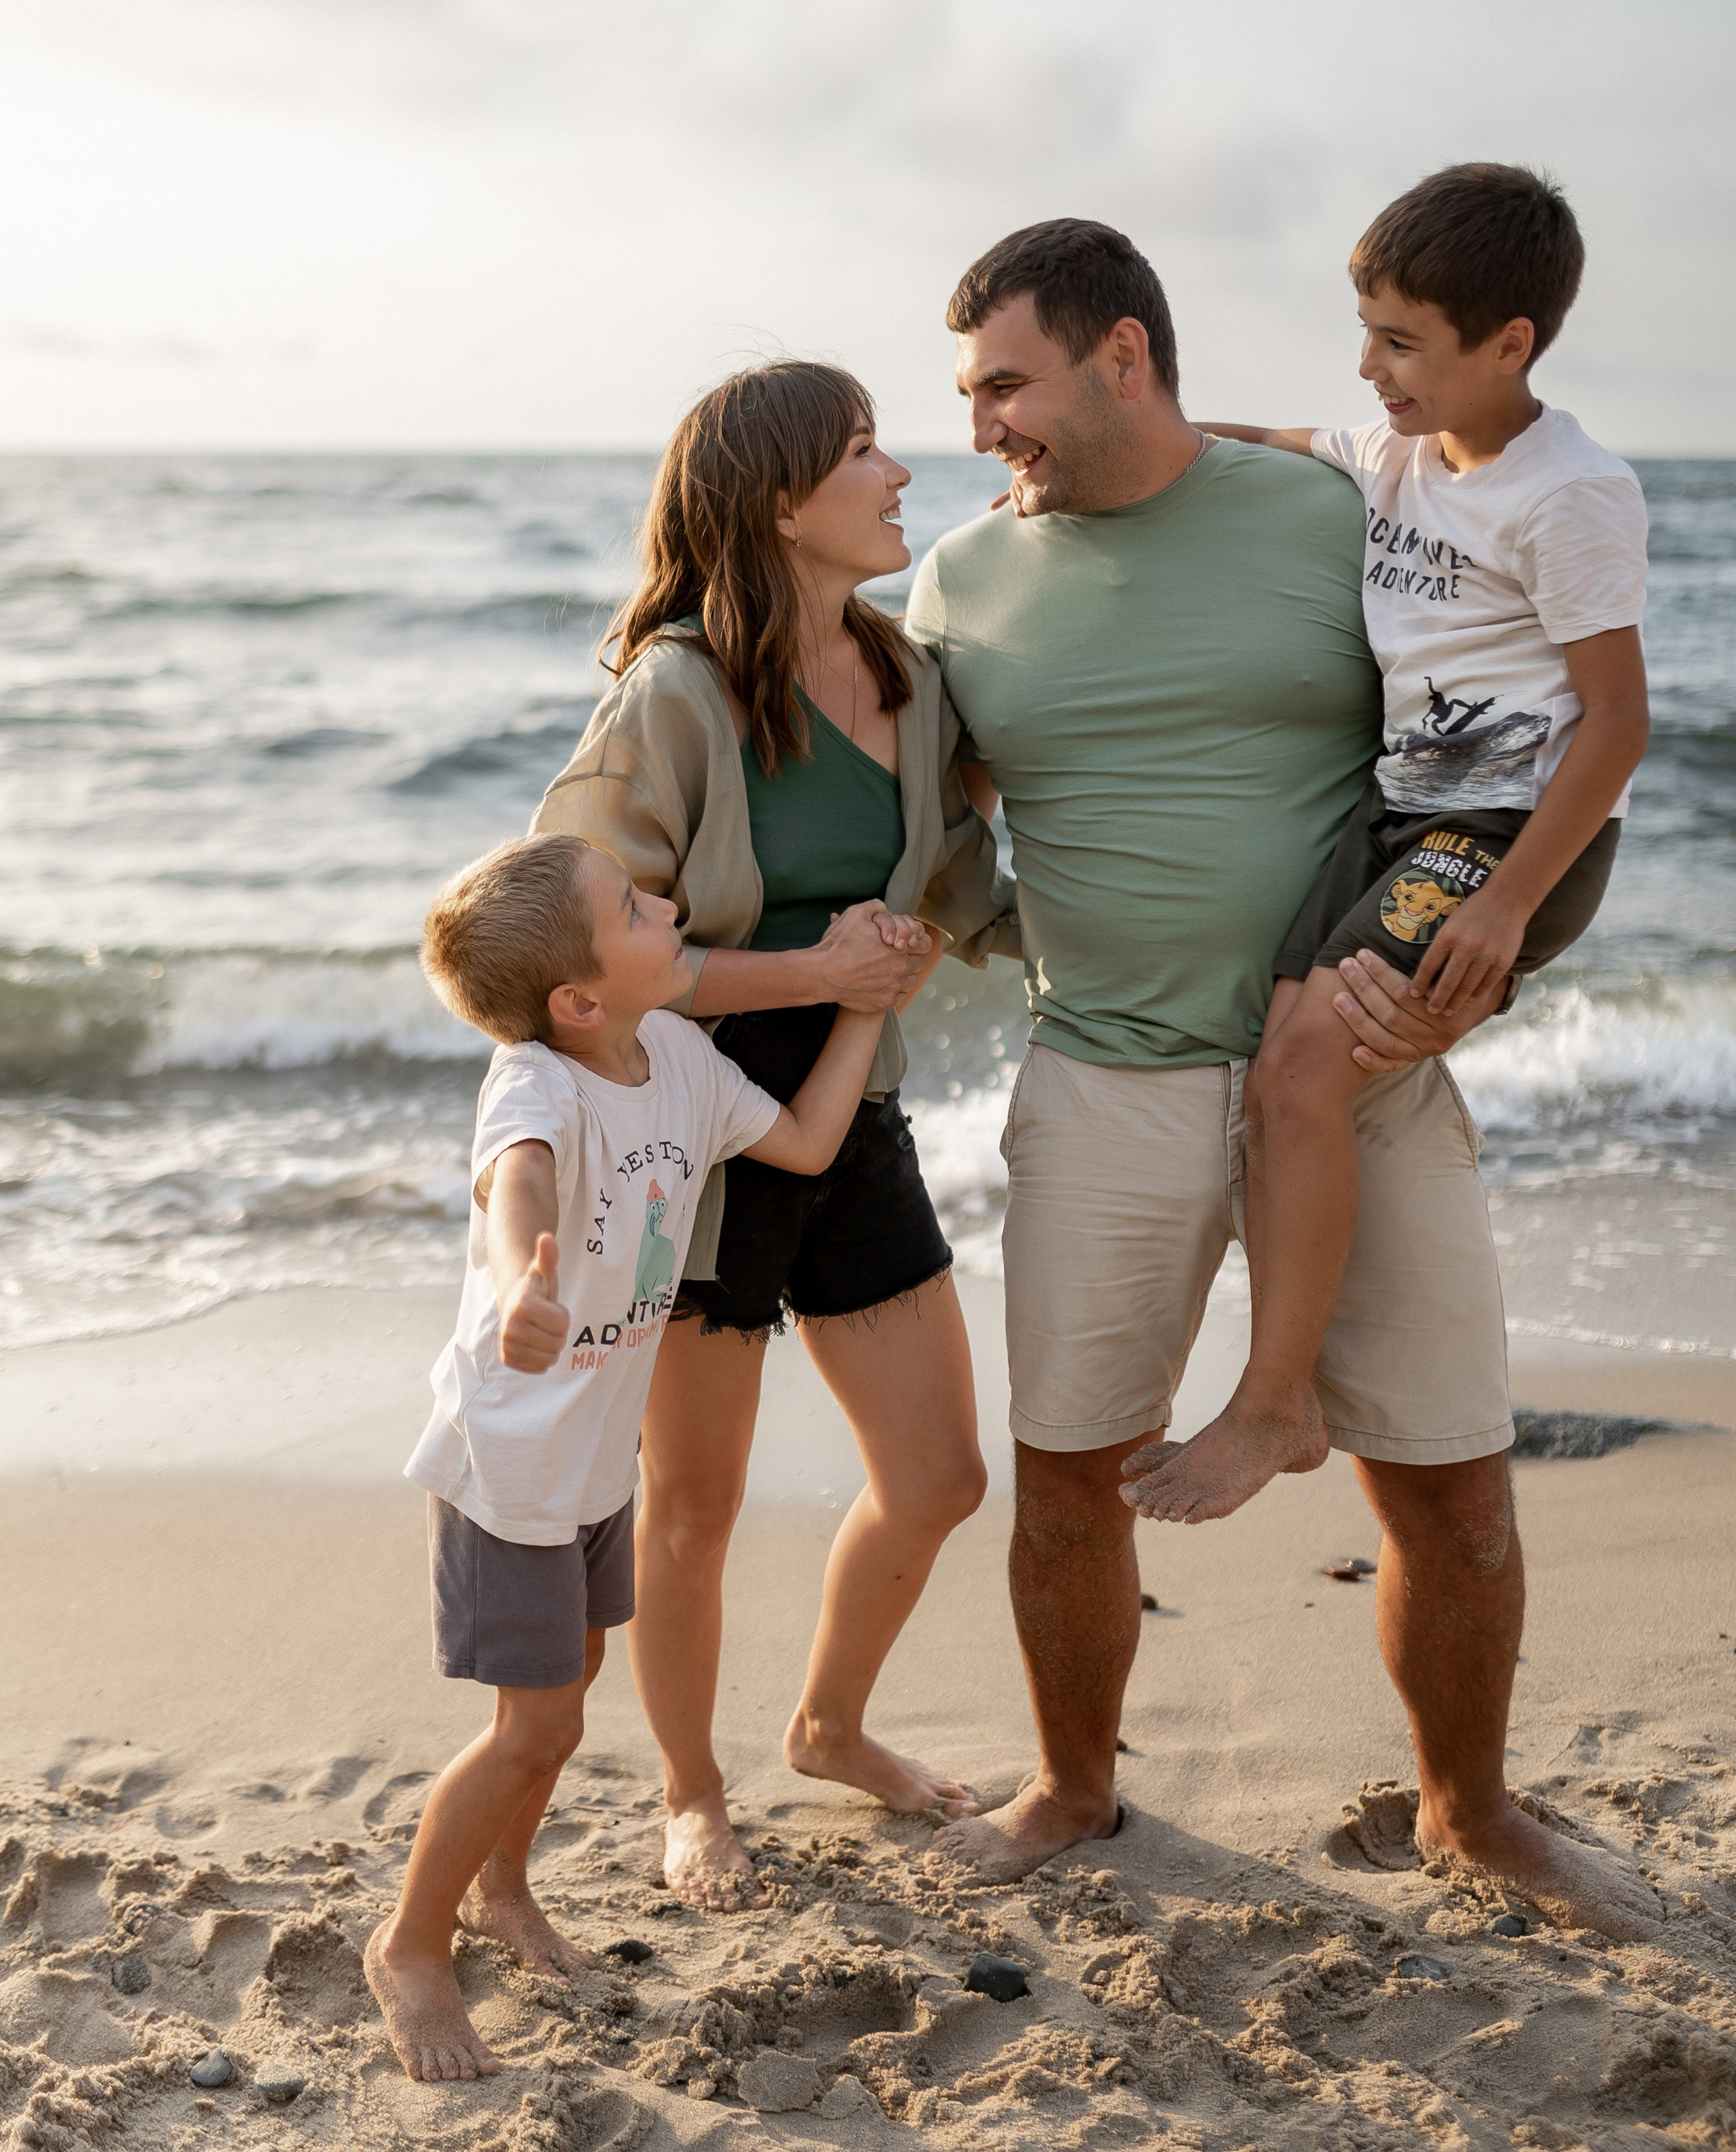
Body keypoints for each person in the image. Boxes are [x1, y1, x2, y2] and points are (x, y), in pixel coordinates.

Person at [906, 216, 1661, 1939]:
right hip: (1102, 1074)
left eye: (1005, 385)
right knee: (1067, 1475)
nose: (981, 426)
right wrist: (969, 931)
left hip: (1352, 1069)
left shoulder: (1342, 512)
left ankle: (1469, 1810)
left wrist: (1485, 966)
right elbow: (922, 813)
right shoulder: (957, 579)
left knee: (1450, 1481)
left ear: (1121, 355)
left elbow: (1509, 734)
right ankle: (1072, 1788)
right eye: (966, 396)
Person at [530, 361, 1012, 1911]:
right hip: (686, 1149)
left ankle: (827, 1727)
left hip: (851, 1113)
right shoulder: (673, 695)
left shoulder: (908, 672)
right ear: (781, 503)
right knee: (693, 1507)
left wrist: (1184, 950)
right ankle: (690, 1795)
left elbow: (965, 885)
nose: (900, 474)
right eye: (863, 450)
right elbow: (576, 958)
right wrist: (814, 975)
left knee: (938, 1476)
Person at [1130, 165, 1649, 1525]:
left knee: (1304, 1074)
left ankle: (1272, 1403)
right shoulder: (1398, 452)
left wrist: (1502, 909)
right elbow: (1258, 439)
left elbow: (1616, 722)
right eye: (1364, 331)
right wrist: (1112, 447)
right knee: (1275, 1066)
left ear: (1509, 344)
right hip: (1399, 816)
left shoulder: (1571, 494)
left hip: (1505, 836)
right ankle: (1289, 1389)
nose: (1369, 367)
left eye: (1401, 342)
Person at [364, 831, 890, 2082]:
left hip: (596, 1460)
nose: (666, 907)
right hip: (511, 1469)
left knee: (568, 1694)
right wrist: (520, 1288)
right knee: (534, 1728)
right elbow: (518, 1186)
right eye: (635, 909)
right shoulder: (536, 1083)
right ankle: (410, 1944)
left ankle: (502, 1886)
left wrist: (868, 1005)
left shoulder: (682, 1062)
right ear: (578, 1001)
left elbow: (808, 1143)